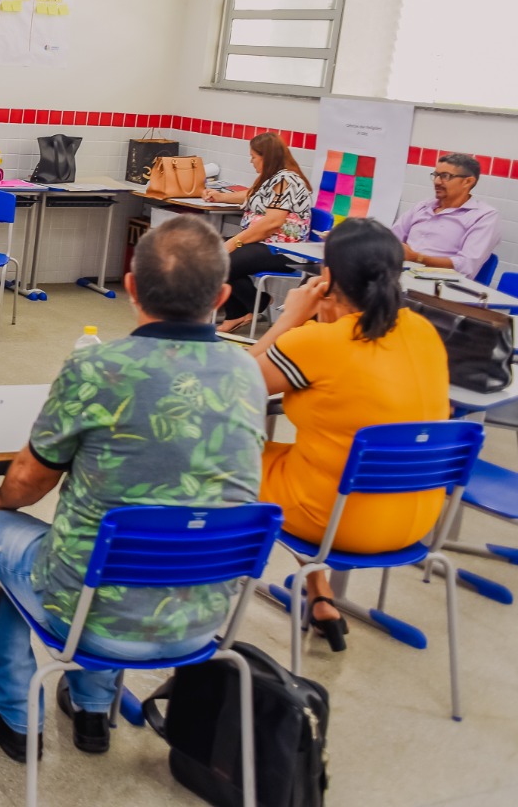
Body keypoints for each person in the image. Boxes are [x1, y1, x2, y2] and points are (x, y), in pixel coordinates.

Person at [0, 216, 263, 762]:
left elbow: (29, 482)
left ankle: (15, 711)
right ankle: (93, 706)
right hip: (202, 619)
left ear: (131, 287)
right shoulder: (247, 373)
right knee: (145, 537)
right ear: (220, 296)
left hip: (89, 615)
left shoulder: (98, 366)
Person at [248, 217, 449, 651]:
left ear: (328, 277)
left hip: (341, 522)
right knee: (311, 464)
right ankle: (320, 594)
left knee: (233, 453)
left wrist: (289, 319)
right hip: (416, 517)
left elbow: (232, 383)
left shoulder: (317, 342)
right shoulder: (424, 330)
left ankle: (189, 583)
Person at [202, 131, 314, 333]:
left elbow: (272, 222)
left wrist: (235, 242)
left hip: (282, 249)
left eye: (253, 156)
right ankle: (241, 311)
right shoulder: (271, 178)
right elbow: (252, 196)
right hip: (263, 244)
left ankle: (255, 304)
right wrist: (219, 196)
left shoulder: (286, 180)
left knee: (221, 260)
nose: (251, 161)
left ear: (266, 157)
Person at [391, 152, 499, 279]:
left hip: (441, 285)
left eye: (445, 176)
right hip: (399, 277)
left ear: (467, 182)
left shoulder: (484, 216)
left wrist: (417, 258)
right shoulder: (423, 206)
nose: (437, 181)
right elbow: (391, 240)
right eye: (436, 175)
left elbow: (466, 267)